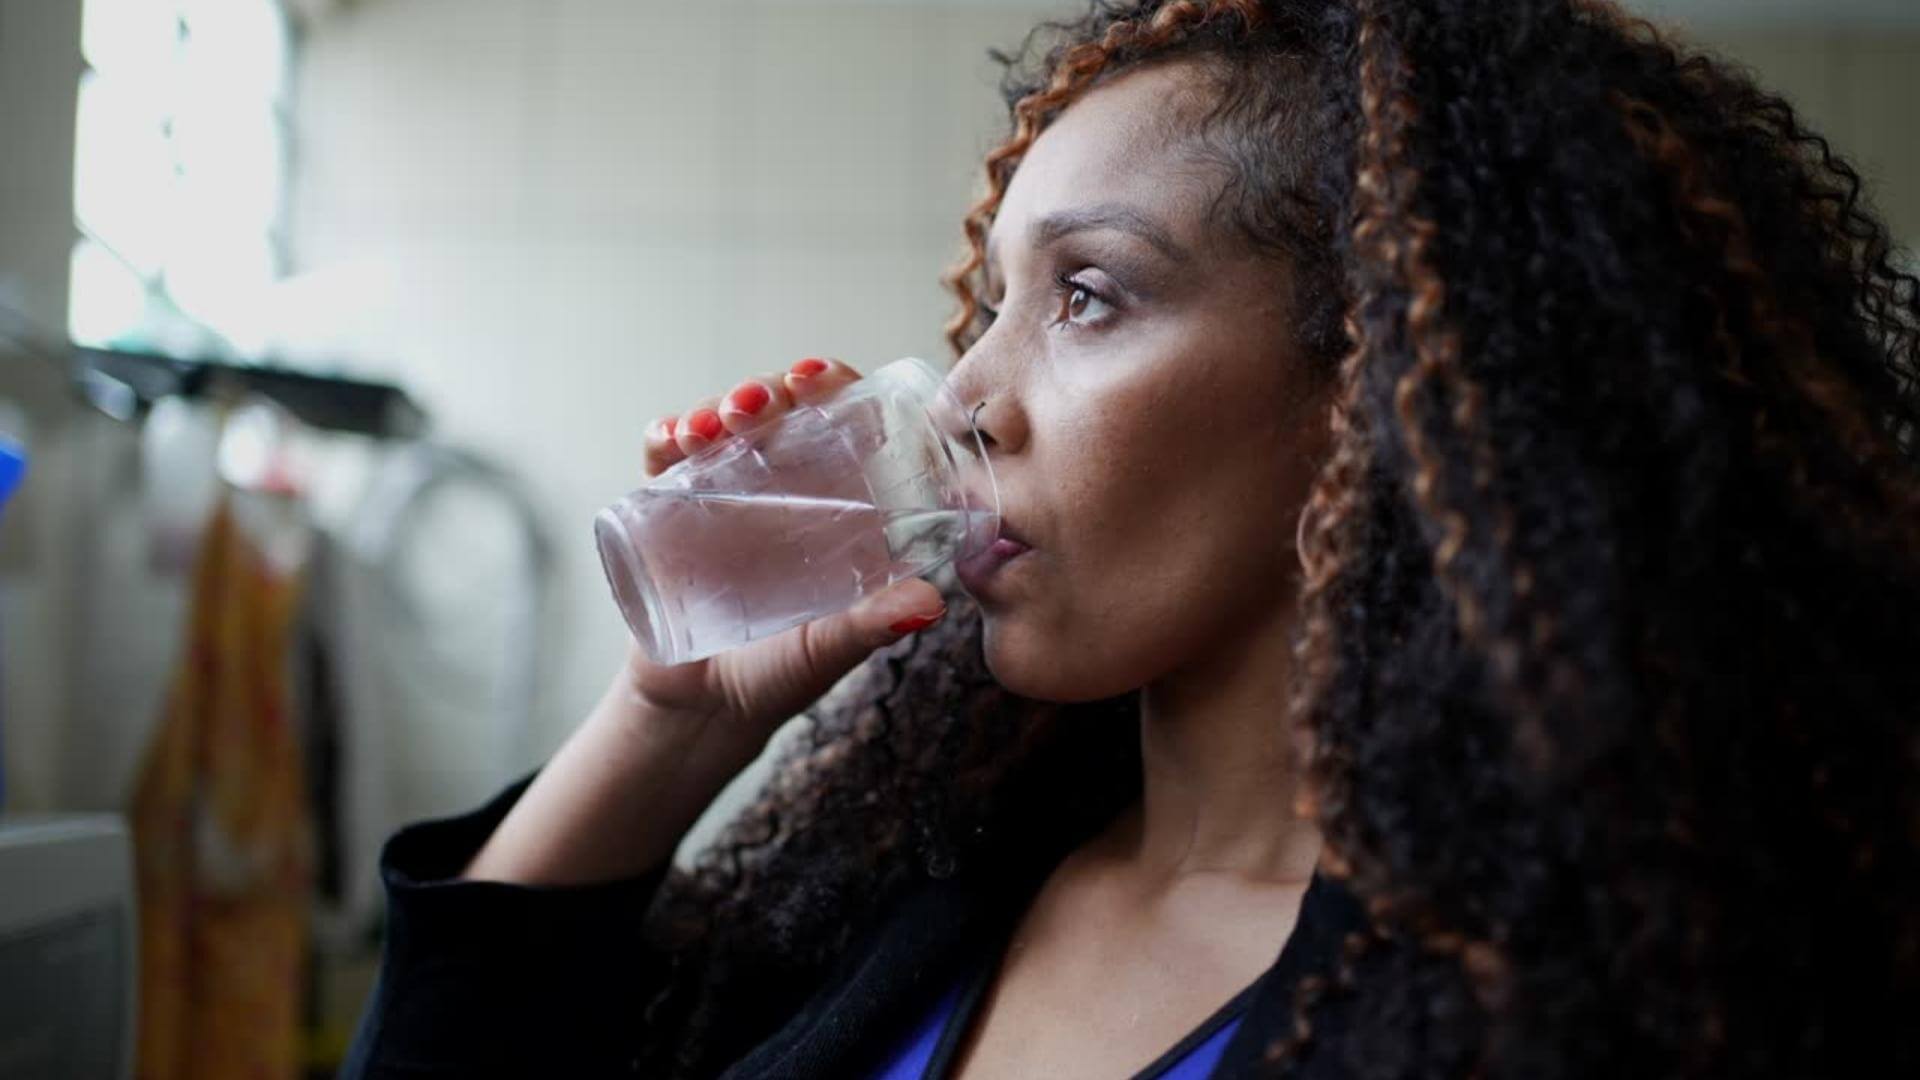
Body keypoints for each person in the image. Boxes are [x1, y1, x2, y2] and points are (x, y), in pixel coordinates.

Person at [339, 1, 1920, 1077]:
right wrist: (662, 727)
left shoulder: (1596, 1000)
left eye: (1087, 296)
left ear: (1388, 388)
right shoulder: (910, 894)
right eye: (993, 304)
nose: (963, 391)